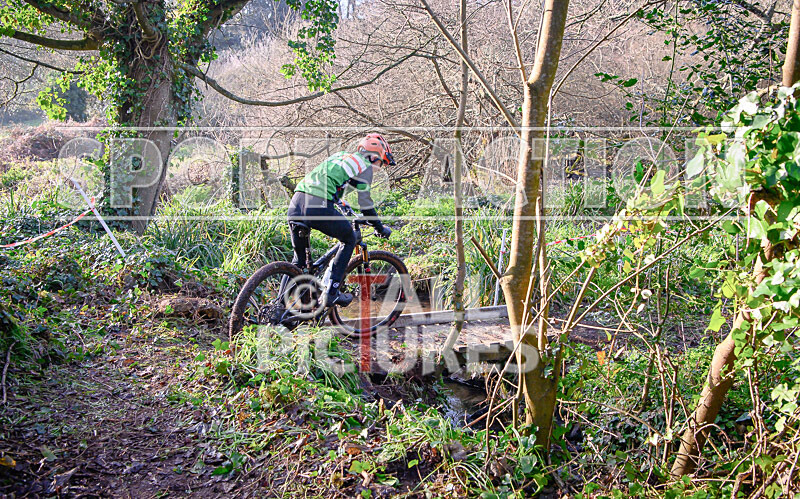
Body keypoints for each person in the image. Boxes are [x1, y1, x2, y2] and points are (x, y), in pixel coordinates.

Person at [287, 133, 394, 307]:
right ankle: (332, 292)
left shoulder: (341, 157)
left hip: (296, 202)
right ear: (374, 157)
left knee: (298, 263)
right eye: (382, 163)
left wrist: (344, 208)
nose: (380, 168)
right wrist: (379, 227)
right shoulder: (365, 167)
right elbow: (365, 203)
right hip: (317, 204)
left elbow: (332, 186)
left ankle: (280, 307)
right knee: (349, 239)